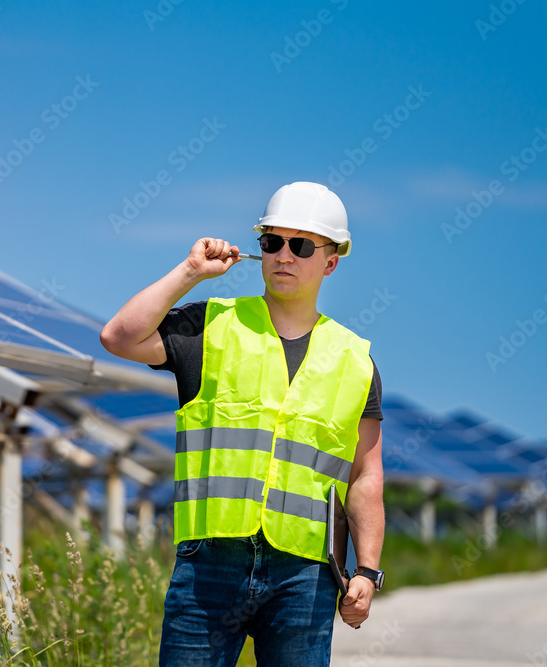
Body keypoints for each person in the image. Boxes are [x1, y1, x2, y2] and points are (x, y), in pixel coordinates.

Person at [99, 181, 385, 666]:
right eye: (272, 242)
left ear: (330, 261)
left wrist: (367, 571)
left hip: (305, 576)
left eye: (301, 245)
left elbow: (366, 475)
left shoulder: (356, 362)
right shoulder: (210, 326)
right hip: (208, 564)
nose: (284, 255)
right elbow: (119, 337)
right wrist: (191, 272)